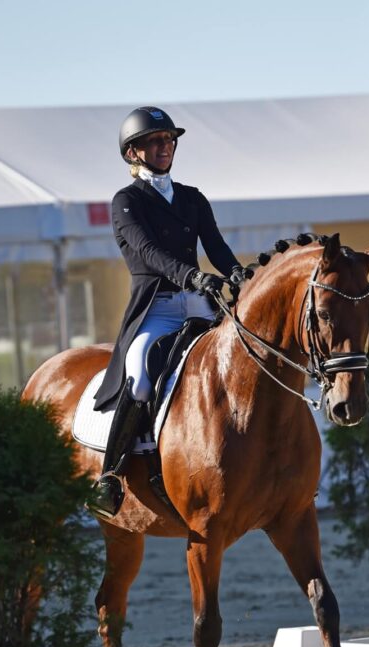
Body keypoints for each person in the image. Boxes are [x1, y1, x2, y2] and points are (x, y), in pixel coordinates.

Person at [89, 106, 250, 519]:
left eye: (169, 140)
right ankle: (111, 476)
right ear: (133, 153)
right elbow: (149, 253)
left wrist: (238, 273)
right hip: (156, 309)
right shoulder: (126, 201)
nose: (164, 147)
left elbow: (216, 245)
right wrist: (195, 277)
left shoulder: (192, 198)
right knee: (140, 375)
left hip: (198, 307)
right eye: (155, 141)